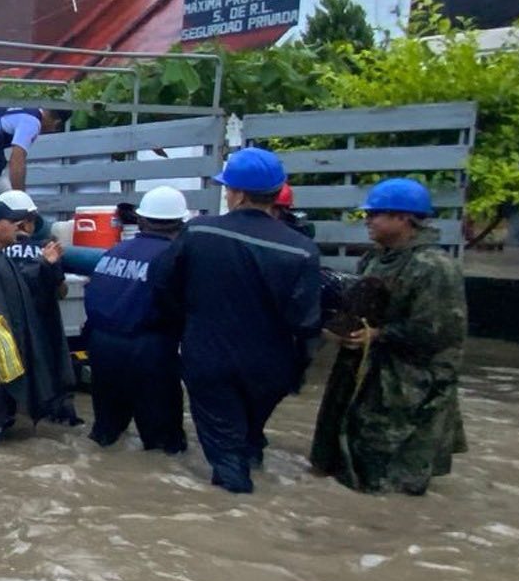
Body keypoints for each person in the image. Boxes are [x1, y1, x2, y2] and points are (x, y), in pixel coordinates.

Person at [151, 148, 321, 494]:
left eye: (227, 189)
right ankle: (253, 470)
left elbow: (162, 284)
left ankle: (236, 513)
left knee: (226, 452)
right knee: (250, 434)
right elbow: (306, 322)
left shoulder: (200, 233)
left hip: (211, 361)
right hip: (271, 369)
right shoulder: (302, 249)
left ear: (239, 194)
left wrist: (187, 324)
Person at [309, 179, 468, 494]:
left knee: (396, 473)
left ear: (404, 218)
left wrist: (378, 334)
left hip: (412, 385)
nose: (367, 220)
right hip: (367, 374)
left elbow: (438, 331)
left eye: (375, 214)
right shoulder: (375, 259)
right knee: (349, 458)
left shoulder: (434, 267)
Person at [0, 200, 79, 444]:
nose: (17, 226)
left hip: (2, 372)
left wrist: (46, 264)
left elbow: (20, 286)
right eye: (12, 222)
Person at [84, 185, 188, 455]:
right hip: (148, 349)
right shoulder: (175, 257)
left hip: (102, 347)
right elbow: (180, 307)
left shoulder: (115, 251)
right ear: (181, 222)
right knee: (163, 445)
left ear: (141, 220)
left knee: (106, 434)